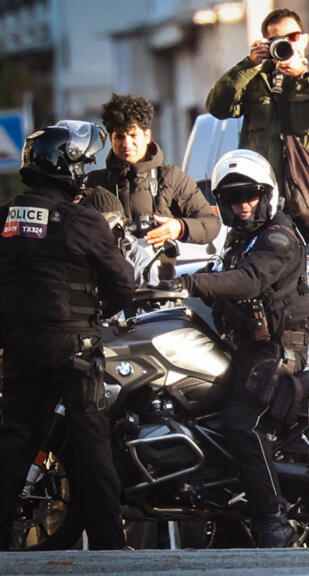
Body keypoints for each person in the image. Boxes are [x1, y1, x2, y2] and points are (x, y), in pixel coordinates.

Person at [155, 149, 309, 547]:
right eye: (233, 198)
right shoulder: (242, 239)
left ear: (267, 194)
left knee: (243, 422)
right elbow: (216, 272)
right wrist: (161, 278)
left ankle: (272, 520)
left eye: (251, 196)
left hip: (275, 352)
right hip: (243, 348)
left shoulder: (277, 236)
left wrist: (190, 286)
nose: (243, 205)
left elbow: (248, 281)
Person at [0, 121, 136, 550]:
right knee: (91, 443)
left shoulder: (5, 216)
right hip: (74, 348)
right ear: (67, 167)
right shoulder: (82, 220)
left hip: (19, 346)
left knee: (15, 440)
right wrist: (94, 317)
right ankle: (108, 546)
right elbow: (123, 286)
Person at [206, 7, 309, 249]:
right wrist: (248, 64)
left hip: (308, 199)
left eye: (293, 37)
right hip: (262, 200)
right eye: (277, 39)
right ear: (266, 43)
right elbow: (217, 107)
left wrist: (304, 75)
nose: (286, 43)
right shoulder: (255, 80)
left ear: (304, 39)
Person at [83, 93, 221, 278]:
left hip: (158, 286)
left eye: (133, 135)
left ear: (147, 135)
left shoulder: (171, 177)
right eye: (119, 137)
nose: (126, 143)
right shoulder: (95, 182)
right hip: (108, 285)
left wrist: (179, 227)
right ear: (110, 139)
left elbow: (212, 224)